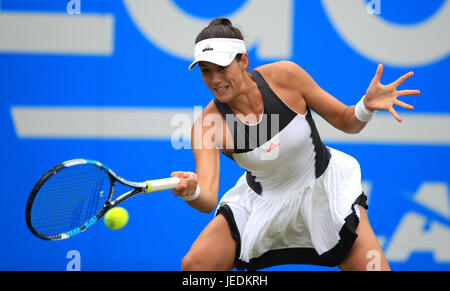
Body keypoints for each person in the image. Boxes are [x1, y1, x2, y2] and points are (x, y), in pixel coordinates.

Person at [171, 17, 420, 271]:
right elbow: (208, 199)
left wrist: (365, 107)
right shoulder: (207, 127)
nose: (214, 80)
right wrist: (192, 191)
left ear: (243, 60)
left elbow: (346, 122)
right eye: (206, 70)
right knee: (195, 267)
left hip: (325, 192)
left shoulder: (285, 77)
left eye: (222, 68)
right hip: (261, 202)